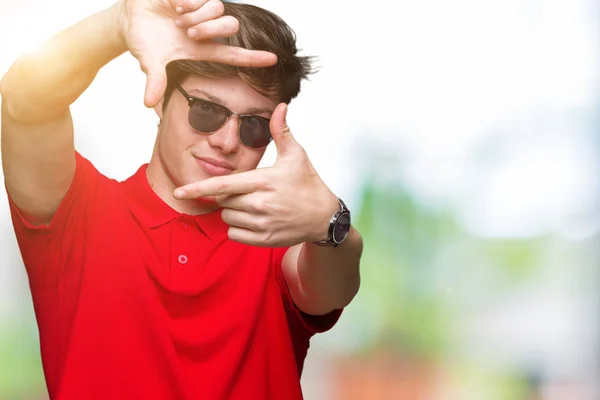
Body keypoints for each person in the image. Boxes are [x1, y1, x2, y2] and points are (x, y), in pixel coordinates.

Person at [0, 0, 363, 399]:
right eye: (207, 110)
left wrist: (332, 223)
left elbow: (332, 287)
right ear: (160, 98)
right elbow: (23, 101)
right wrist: (116, 25)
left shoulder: (282, 239)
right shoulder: (75, 211)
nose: (226, 142)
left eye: (254, 126)